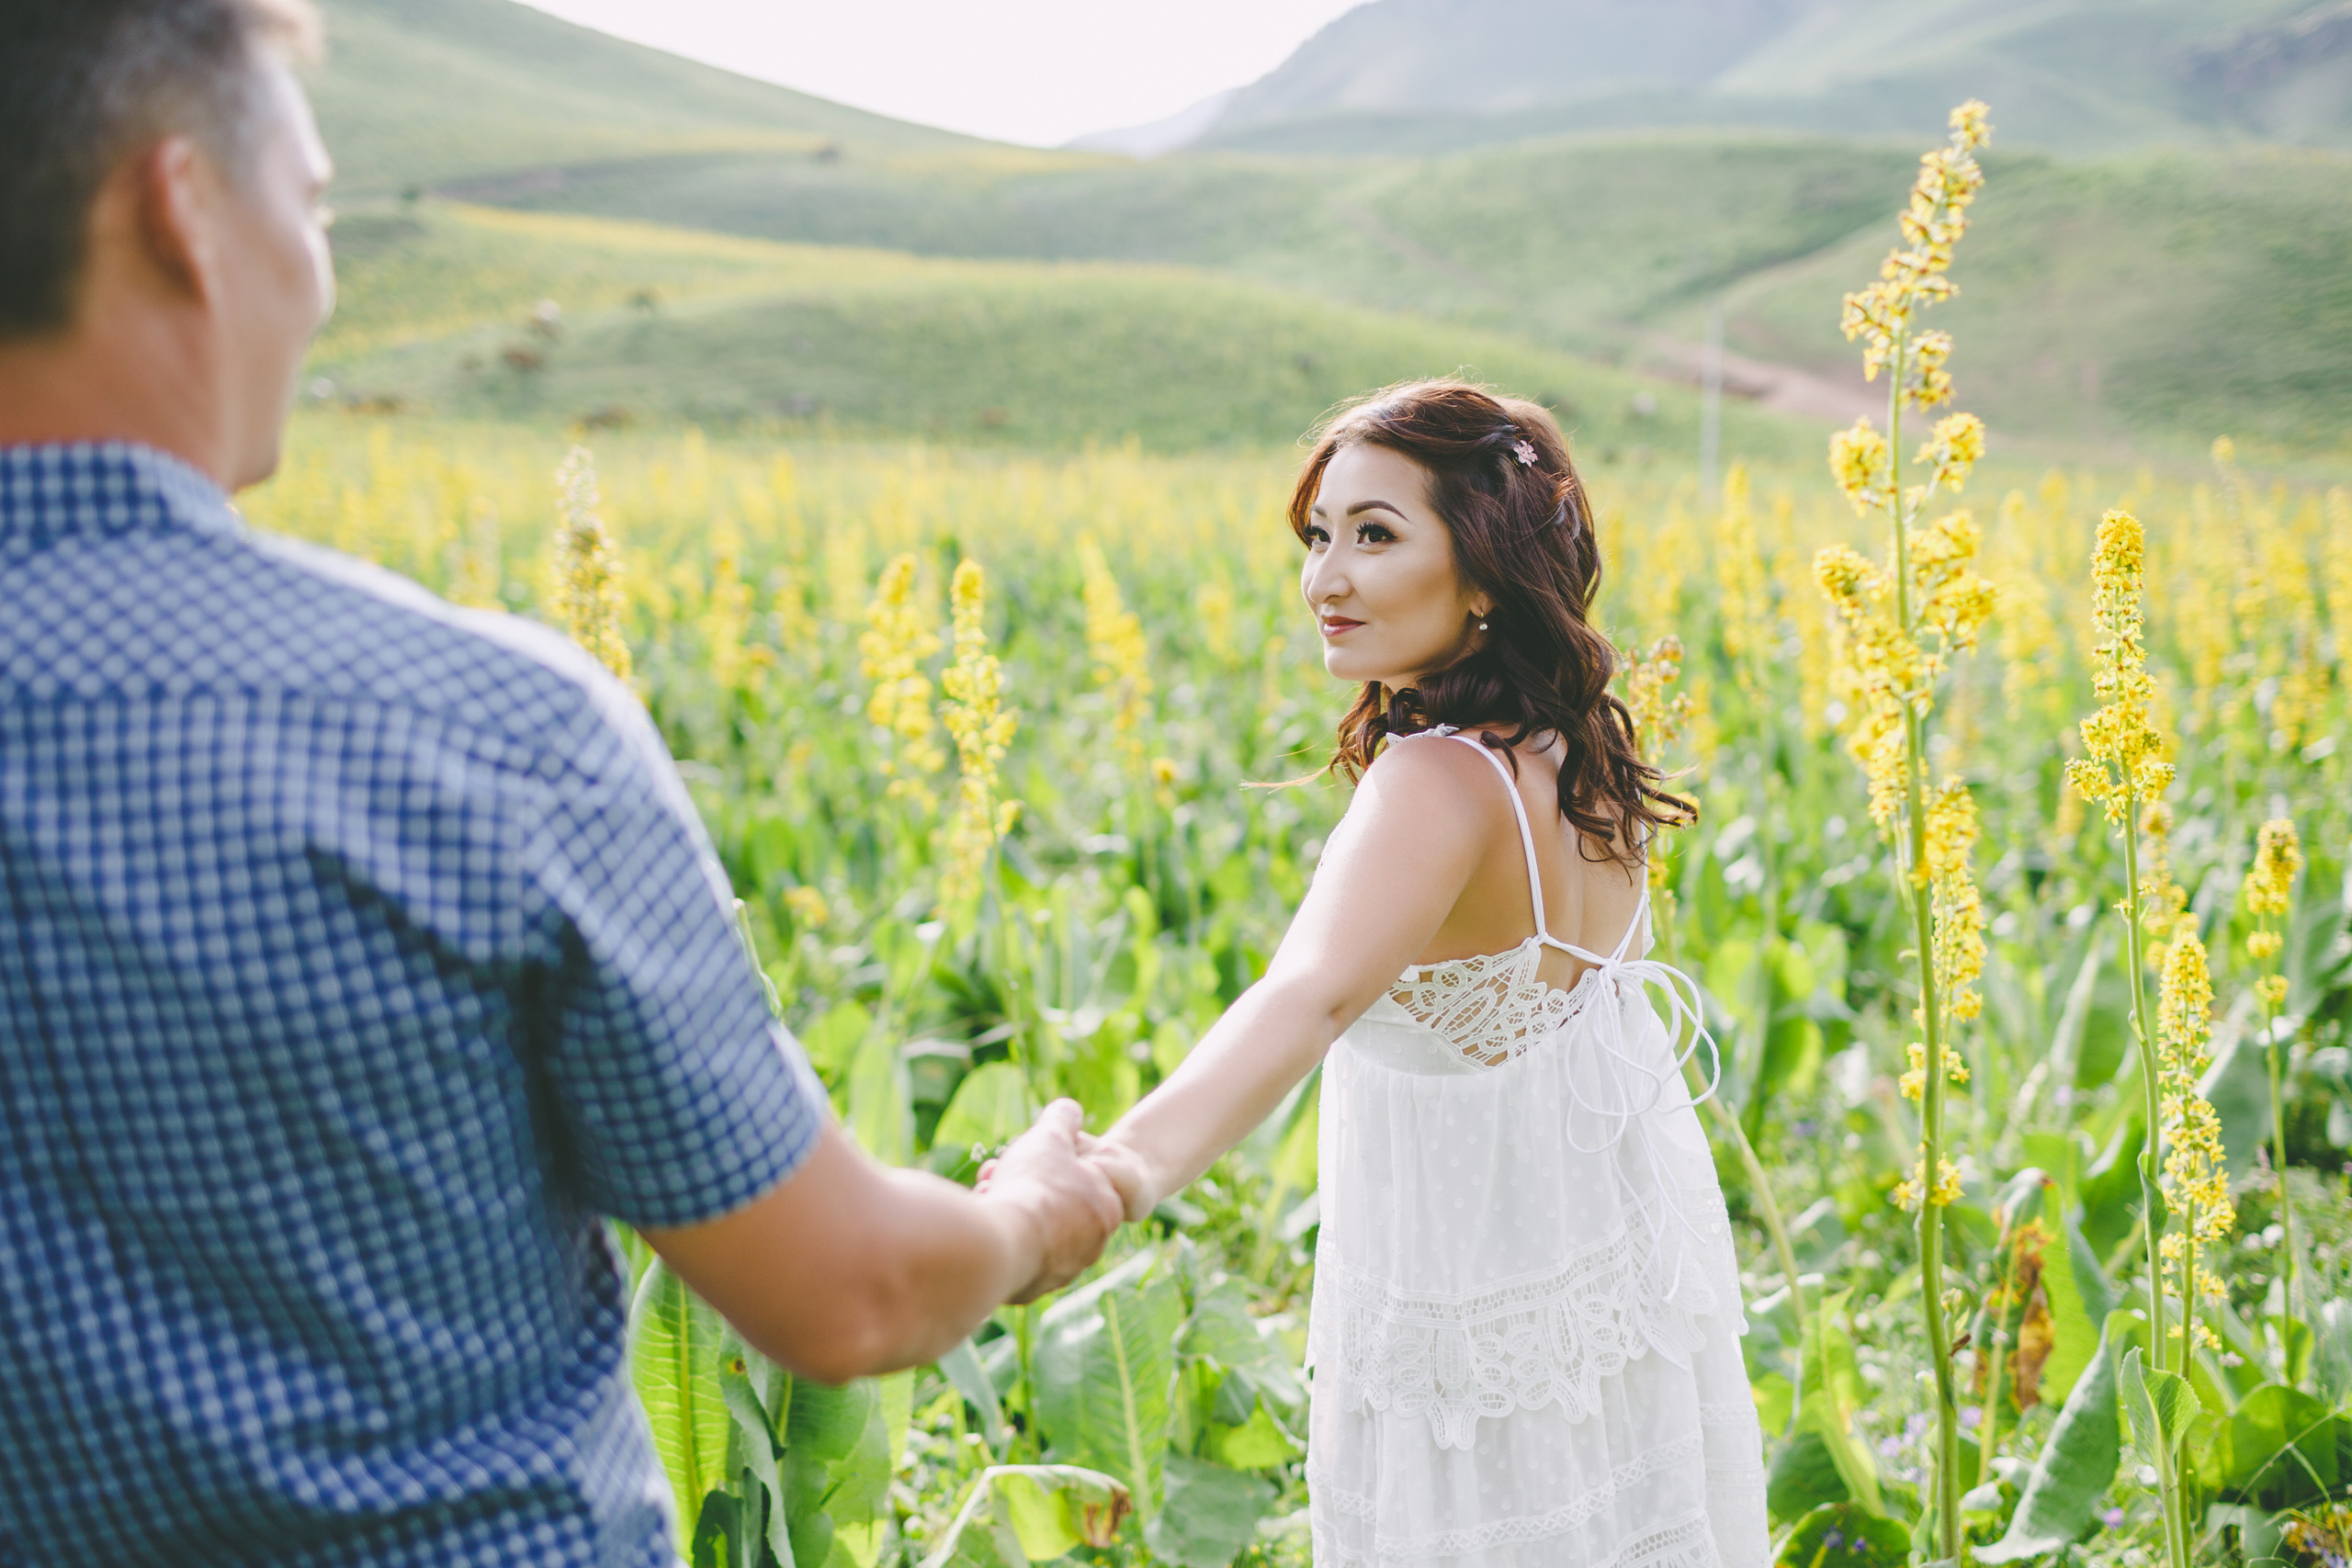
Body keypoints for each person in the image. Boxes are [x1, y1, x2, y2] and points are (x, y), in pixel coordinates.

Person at [0, 3, 1124, 1563]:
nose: (320, 276)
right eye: (314, 207)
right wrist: (1034, 1217)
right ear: (181, 210)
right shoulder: (486, 732)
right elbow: (848, 1293)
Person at [1073, 382, 1770, 1568]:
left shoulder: (1436, 782)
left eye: (1377, 534)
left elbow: (1310, 996)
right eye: (1320, 534)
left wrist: (1112, 1176)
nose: (1326, 579)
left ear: (1485, 572)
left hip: (1470, 1364)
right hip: (1599, 1328)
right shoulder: (1572, 756)